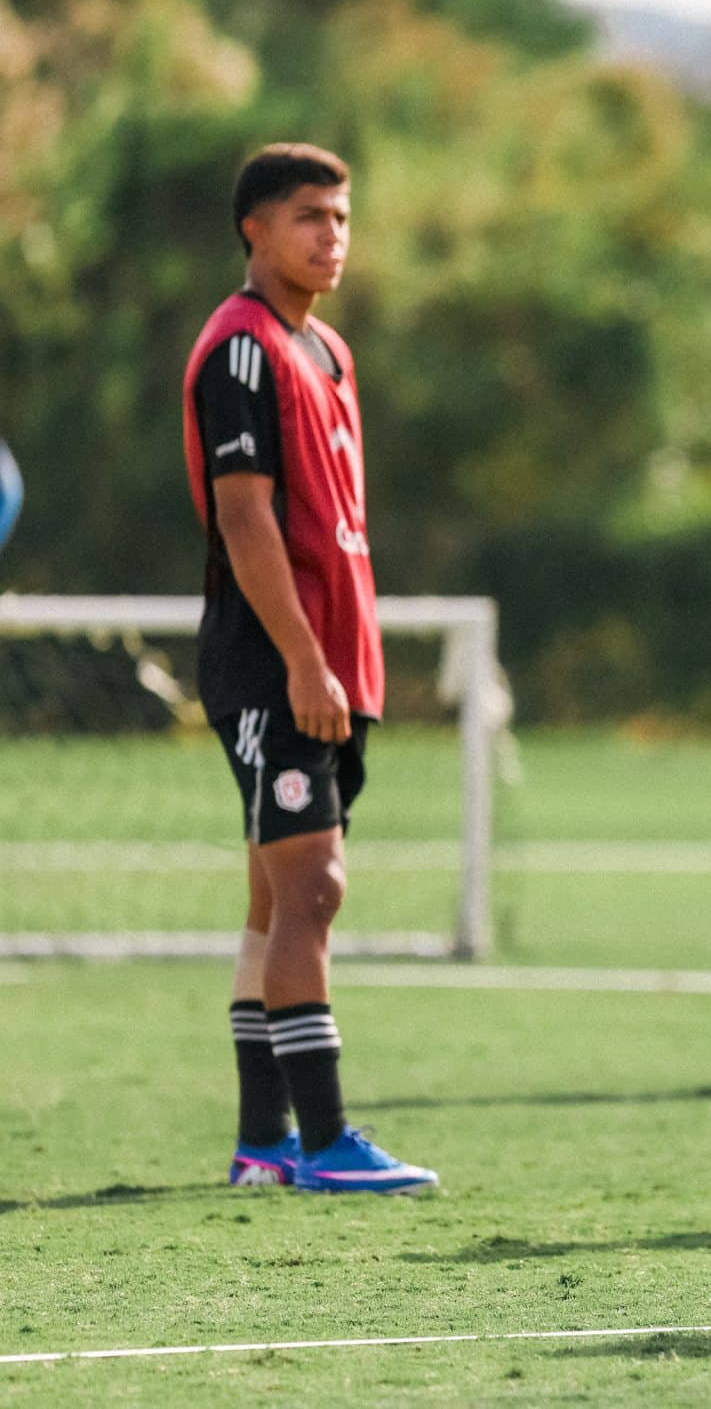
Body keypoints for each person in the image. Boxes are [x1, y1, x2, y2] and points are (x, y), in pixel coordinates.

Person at [183, 142, 437, 1194]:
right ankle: (327, 1139)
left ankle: (262, 1144)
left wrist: (340, 662)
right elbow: (245, 522)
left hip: (333, 666)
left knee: (276, 900)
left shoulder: (324, 349)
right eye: (308, 218)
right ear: (254, 228)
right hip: (271, 665)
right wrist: (300, 660)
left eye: (341, 217)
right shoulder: (240, 349)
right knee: (314, 890)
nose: (331, 236)